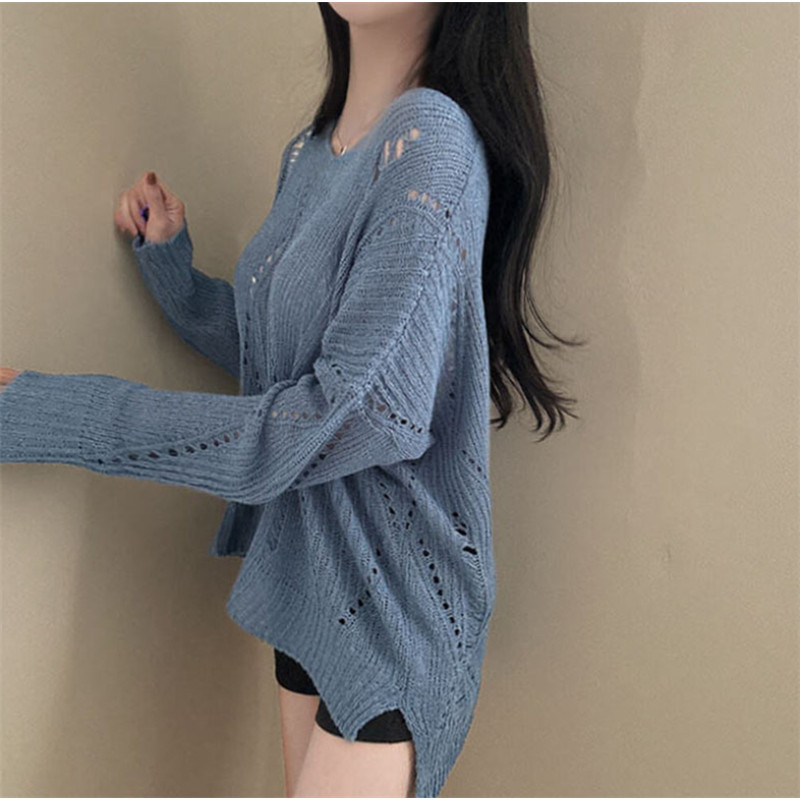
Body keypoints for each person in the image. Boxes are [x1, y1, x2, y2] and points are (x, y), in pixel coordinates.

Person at [0, 3, 581, 796]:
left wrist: (47, 412)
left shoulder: (432, 143)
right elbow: (280, 358)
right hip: (311, 584)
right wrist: (171, 270)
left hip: (392, 611)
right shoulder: (310, 152)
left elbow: (348, 416)